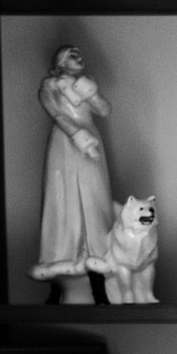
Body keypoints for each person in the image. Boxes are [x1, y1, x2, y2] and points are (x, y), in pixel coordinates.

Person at [32, 46, 115, 304]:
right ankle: (58, 268)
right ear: (61, 60)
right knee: (63, 199)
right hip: (66, 144)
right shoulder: (51, 85)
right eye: (72, 54)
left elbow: (104, 110)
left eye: (79, 54)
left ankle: (98, 266)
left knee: (95, 197)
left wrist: (90, 92)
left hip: (91, 143)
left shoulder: (86, 84)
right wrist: (75, 133)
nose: (78, 57)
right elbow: (55, 112)